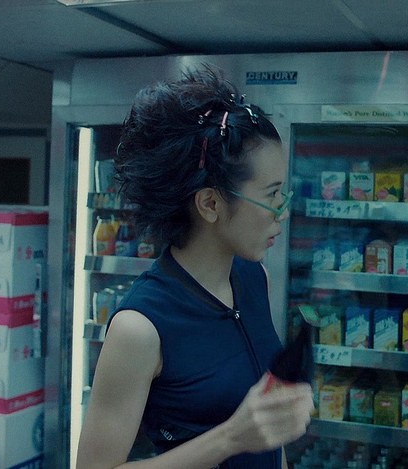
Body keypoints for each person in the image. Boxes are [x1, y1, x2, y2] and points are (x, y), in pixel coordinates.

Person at [76, 64, 314, 469]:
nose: (283, 211)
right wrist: (231, 437)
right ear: (210, 204)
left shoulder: (254, 278)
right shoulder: (140, 327)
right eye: (272, 195)